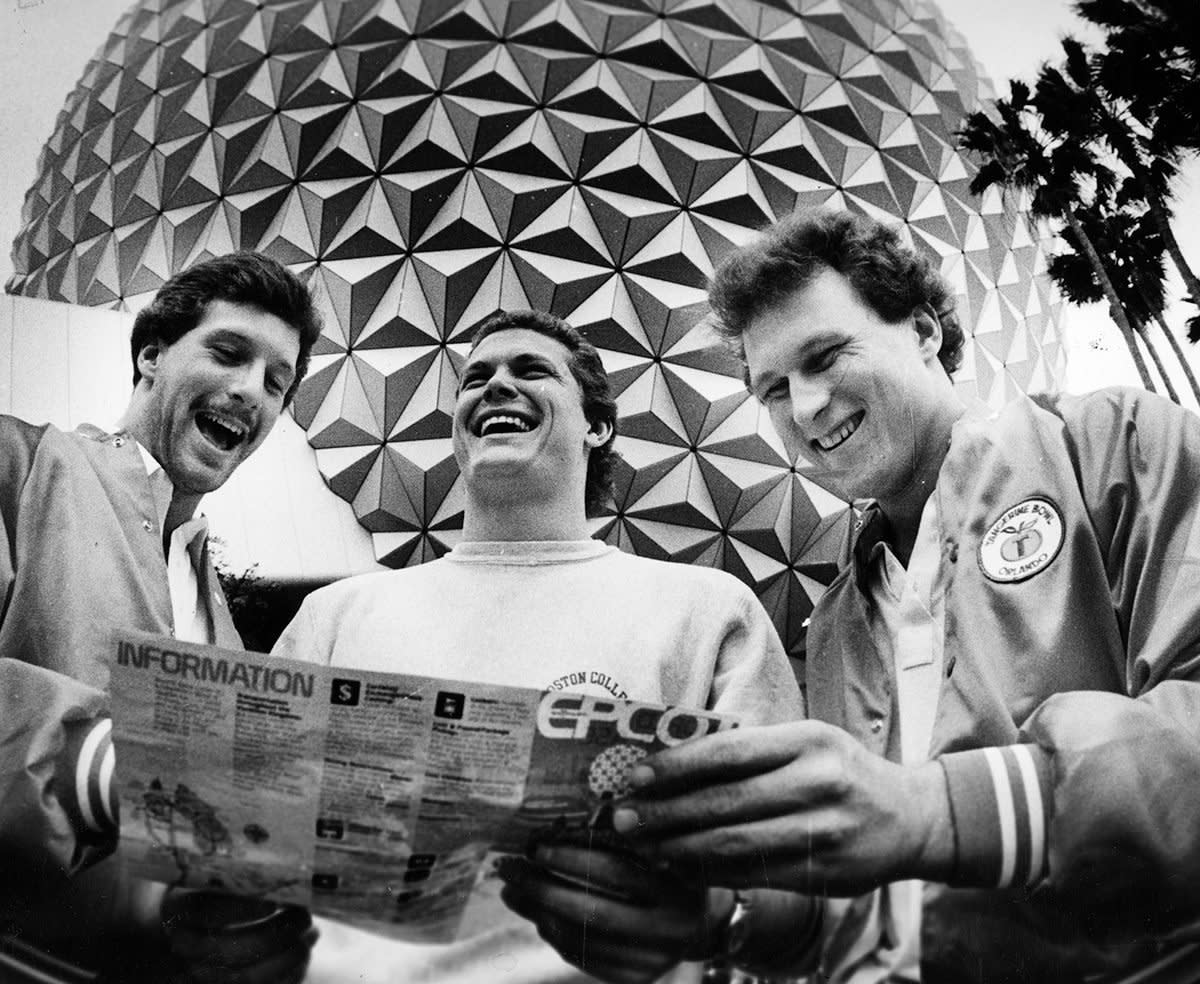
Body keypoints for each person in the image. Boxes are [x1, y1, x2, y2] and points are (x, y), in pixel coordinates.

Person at [531, 207, 1200, 983]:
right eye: (773, 390)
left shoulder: (1112, 445)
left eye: (826, 356)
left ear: (923, 330)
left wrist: (943, 811)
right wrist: (742, 920)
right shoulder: (838, 622)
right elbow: (878, 901)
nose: (806, 409)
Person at [272, 308, 808, 984]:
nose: (496, 385)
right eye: (475, 379)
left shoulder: (705, 610)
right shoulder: (334, 616)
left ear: (597, 425)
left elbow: (783, 866)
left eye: (532, 370)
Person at [0, 250, 324, 983]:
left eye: (278, 382)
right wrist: (91, 760)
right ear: (150, 354)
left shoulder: (217, 606)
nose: (251, 391)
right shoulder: (17, 466)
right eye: (229, 353)